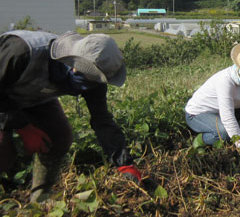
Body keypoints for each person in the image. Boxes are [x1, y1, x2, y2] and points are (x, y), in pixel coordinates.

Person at [0, 30, 141, 203]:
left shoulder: (92, 82)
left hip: (32, 97)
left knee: (59, 137)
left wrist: (124, 163)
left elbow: (102, 120)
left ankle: (40, 198)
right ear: (75, 66)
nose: (93, 83)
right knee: (3, 149)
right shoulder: (22, 51)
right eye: (91, 78)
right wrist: (23, 127)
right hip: (4, 93)